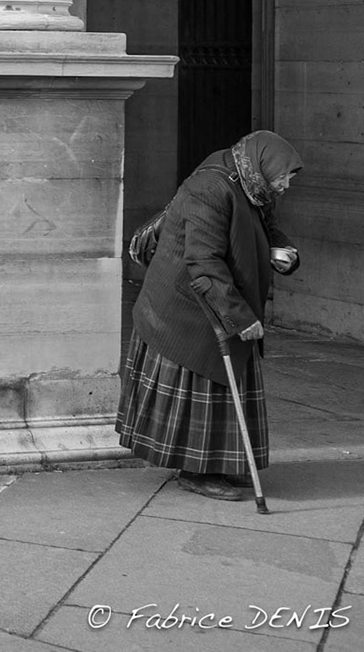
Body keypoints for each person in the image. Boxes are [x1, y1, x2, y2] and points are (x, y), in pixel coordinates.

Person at [117, 131, 303, 501]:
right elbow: (203, 261)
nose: (284, 186)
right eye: (282, 178)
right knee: (204, 382)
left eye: (288, 179)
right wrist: (240, 317)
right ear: (263, 167)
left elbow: (264, 225)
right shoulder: (210, 188)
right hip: (183, 310)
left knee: (225, 382)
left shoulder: (252, 182)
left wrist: (282, 248)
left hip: (215, 302)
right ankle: (196, 471)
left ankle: (220, 463)